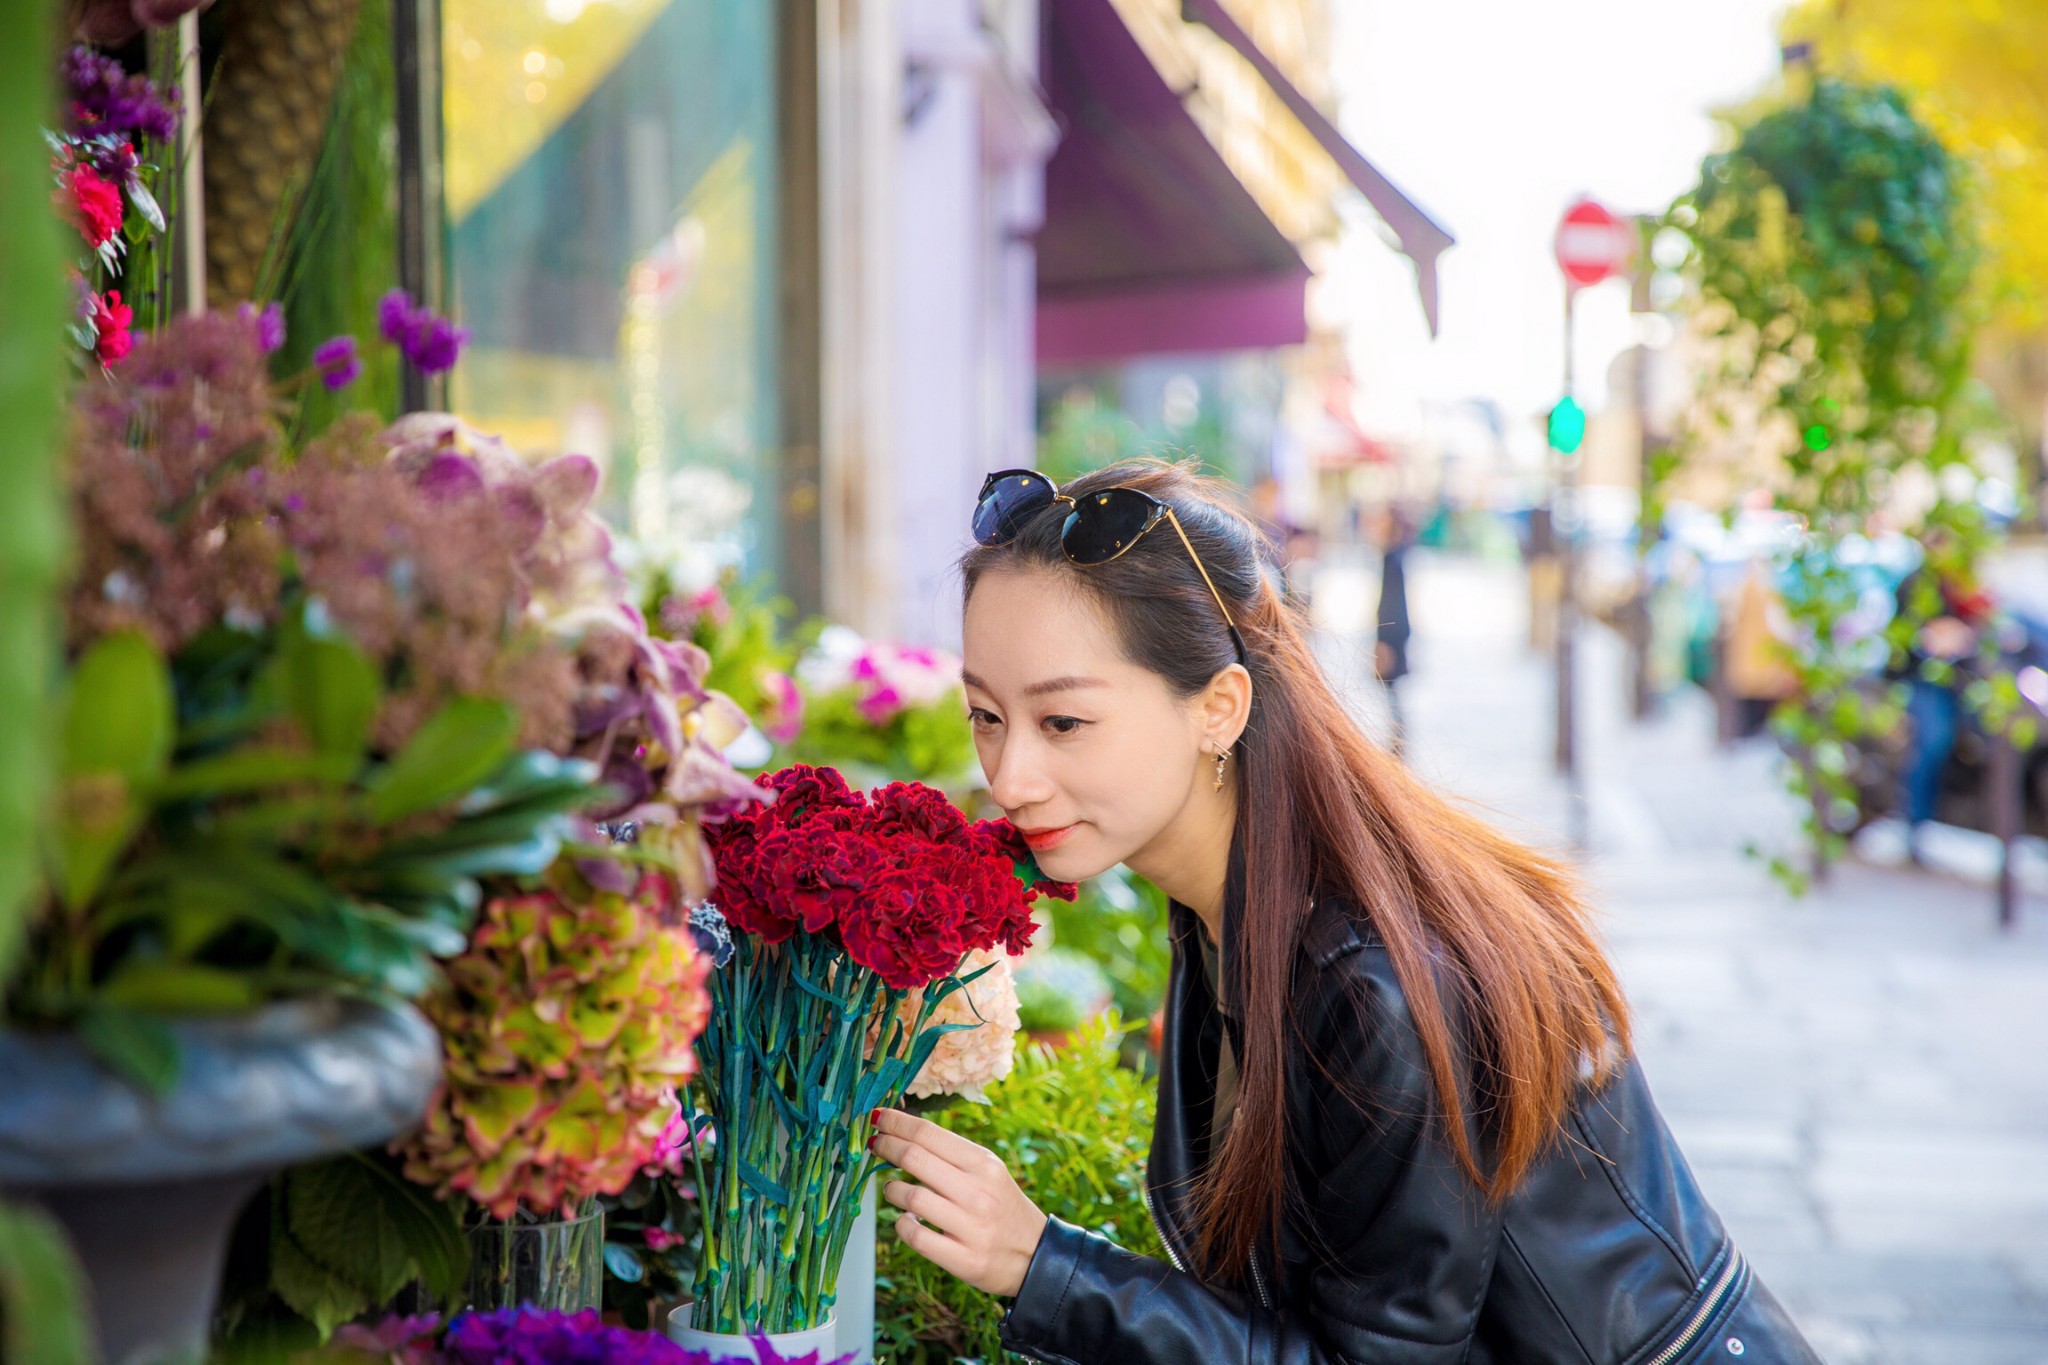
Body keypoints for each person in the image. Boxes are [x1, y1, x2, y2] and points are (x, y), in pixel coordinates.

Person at [866, 460, 1822, 1364]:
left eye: (1063, 721)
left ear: (1219, 707)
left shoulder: (1376, 983)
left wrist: (1044, 1266)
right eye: (986, 715)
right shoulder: (1232, 892)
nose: (1009, 775)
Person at [1370, 502, 1414, 756]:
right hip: (1395, 633)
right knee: (1392, 692)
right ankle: (1397, 740)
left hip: (1392, 635)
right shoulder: (1395, 555)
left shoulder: (1392, 558)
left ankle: (1399, 741)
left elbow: (1392, 604)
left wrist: (1384, 640)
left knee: (1392, 691)